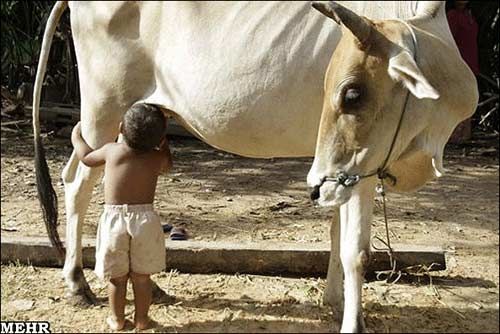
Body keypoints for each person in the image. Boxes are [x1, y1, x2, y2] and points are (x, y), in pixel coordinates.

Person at [71, 103, 172, 330]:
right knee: (142, 278)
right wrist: (164, 146)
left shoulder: (111, 150)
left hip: (114, 222)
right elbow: (168, 164)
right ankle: (142, 320)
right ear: (159, 138)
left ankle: (117, 320)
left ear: (120, 129)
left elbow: (86, 158)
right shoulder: (156, 158)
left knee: (117, 278)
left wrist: (76, 137)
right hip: (145, 222)